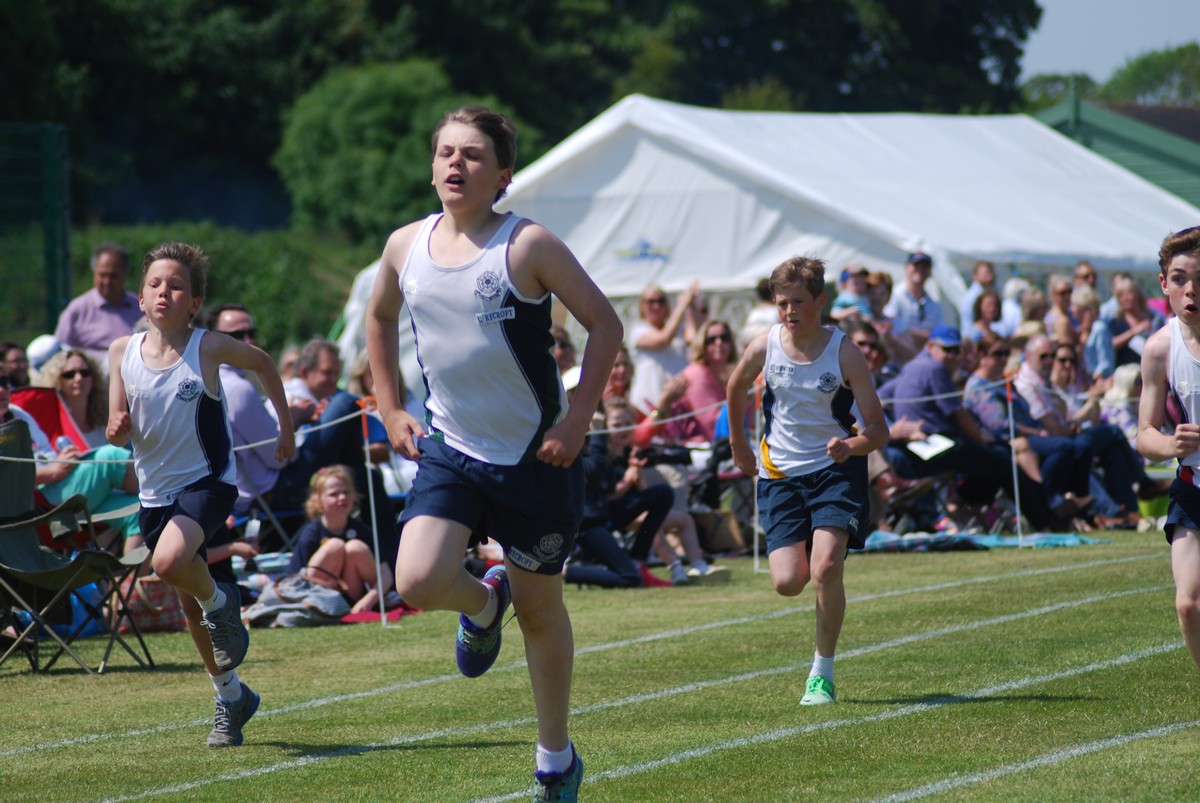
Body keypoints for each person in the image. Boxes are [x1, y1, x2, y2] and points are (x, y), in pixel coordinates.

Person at [365, 105, 622, 797]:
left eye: (473, 154)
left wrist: (577, 420)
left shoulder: (528, 244)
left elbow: (605, 325)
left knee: (540, 612)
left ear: (502, 176)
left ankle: (556, 758)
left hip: (538, 459)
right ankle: (483, 604)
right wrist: (389, 407)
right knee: (417, 579)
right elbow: (379, 317)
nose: (456, 163)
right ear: (432, 167)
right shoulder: (404, 246)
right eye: (446, 152)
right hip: (451, 447)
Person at [106, 241, 295, 748]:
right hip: (155, 497)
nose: (163, 292)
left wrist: (286, 426)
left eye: (176, 286)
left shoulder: (207, 347)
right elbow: (116, 432)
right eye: (154, 284)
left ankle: (222, 600)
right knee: (191, 609)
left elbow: (263, 363)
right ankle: (231, 696)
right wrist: (116, 429)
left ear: (193, 302)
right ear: (140, 298)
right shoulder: (121, 352)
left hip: (208, 485)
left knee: (169, 563)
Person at [726, 255, 888, 706]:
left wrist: (851, 446)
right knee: (787, 581)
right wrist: (739, 446)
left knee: (826, 568)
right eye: (782, 303)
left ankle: (822, 673)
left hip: (835, 471)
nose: (789, 311)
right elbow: (735, 387)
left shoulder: (845, 353)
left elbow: (878, 430)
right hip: (779, 474)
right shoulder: (765, 346)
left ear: (820, 301)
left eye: (798, 302)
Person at [1136, 225, 1200, 674]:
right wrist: (1171, 443)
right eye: (1179, 279)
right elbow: (1145, 434)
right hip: (1193, 487)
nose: (1190, 290)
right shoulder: (1160, 348)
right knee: (1188, 604)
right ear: (1164, 284)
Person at [287, 465, 394, 615]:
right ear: (318, 502)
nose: (342, 498)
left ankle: (371, 602)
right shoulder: (311, 533)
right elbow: (294, 577)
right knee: (334, 546)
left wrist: (369, 600)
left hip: (355, 597)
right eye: (334, 494)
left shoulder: (362, 530)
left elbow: (386, 574)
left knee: (355, 547)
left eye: (346, 492)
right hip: (320, 598)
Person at [55, 243, 146, 366]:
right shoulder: (78, 309)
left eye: (113, 276)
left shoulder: (140, 306)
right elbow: (60, 350)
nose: (107, 281)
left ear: (124, 275)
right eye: (102, 275)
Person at [627, 281, 699, 416]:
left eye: (661, 301)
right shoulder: (638, 330)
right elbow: (663, 339)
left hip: (677, 405)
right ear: (642, 306)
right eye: (650, 302)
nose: (656, 306)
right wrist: (681, 305)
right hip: (646, 405)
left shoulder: (677, 328)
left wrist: (689, 307)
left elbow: (694, 341)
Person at [37, 349, 109, 447]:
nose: (79, 378)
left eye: (85, 373)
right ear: (57, 381)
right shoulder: (48, 427)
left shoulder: (106, 420)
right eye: (69, 375)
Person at [883, 251, 943, 348]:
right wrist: (927, 336)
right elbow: (890, 328)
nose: (920, 270)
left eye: (924, 267)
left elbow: (939, 334)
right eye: (916, 265)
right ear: (906, 268)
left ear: (930, 272)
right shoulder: (894, 296)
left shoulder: (934, 304)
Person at [958, 260, 996, 332]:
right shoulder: (971, 297)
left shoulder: (991, 291)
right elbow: (968, 323)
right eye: (986, 273)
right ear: (975, 276)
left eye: (991, 272)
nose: (990, 276)